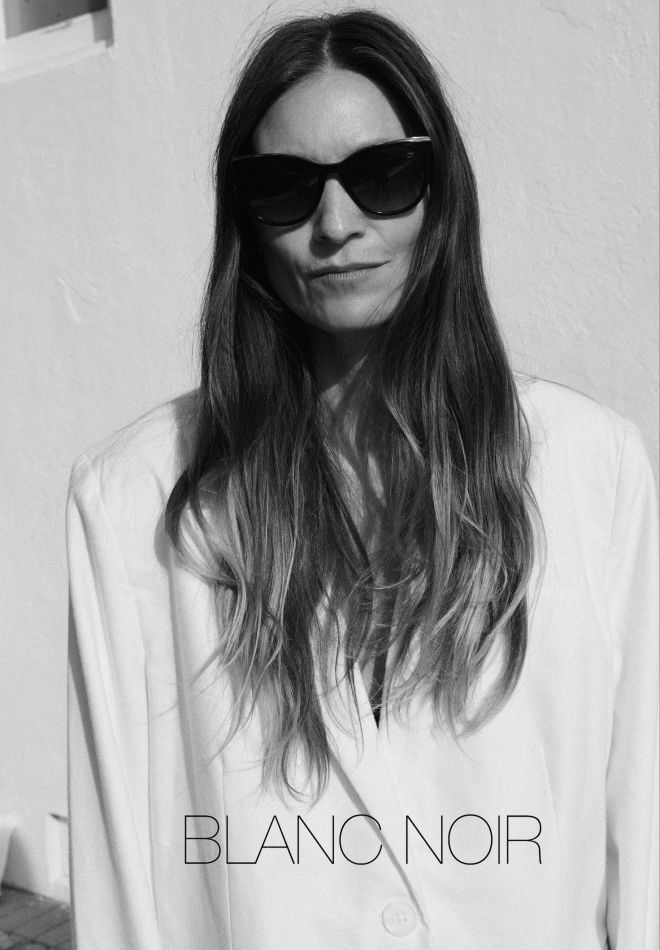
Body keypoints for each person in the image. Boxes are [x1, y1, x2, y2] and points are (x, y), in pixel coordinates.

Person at [66, 9, 658, 950]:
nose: (336, 225)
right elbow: (118, 886)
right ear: (243, 216)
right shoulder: (134, 502)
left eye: (383, 175)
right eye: (284, 188)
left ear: (440, 193)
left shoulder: (592, 470)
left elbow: (643, 836)